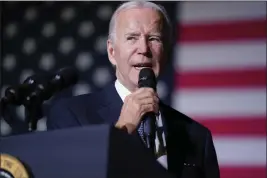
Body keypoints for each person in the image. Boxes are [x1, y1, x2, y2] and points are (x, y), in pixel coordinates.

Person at [47, 1, 220, 178]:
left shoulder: (197, 136)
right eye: (132, 38)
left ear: (166, 52)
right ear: (112, 51)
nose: (144, 49)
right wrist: (122, 129)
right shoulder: (71, 115)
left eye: (154, 39)